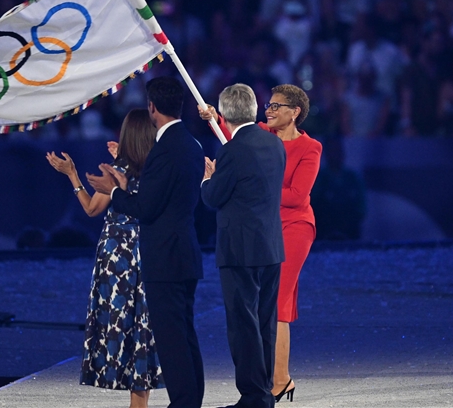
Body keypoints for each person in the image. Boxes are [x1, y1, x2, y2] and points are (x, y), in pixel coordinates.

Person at [87, 76, 205, 408]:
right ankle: (191, 401)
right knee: (186, 337)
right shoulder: (192, 144)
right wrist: (124, 185)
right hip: (186, 253)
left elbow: (146, 208)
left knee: (172, 342)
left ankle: (183, 403)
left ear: (152, 107)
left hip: (164, 259)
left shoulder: (163, 150)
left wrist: (113, 191)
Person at [200, 83, 322, 402]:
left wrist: (254, 189)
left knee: (275, 304)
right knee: (271, 308)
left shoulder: (309, 148)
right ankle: (275, 381)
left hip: (292, 226)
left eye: (277, 106)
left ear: (295, 112)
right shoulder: (266, 140)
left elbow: (296, 196)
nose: (269, 109)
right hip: (267, 229)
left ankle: (272, 382)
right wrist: (216, 117)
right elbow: (240, 139)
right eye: (268, 104)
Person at [46, 109, 162, 408]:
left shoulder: (118, 167)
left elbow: (91, 209)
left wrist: (72, 174)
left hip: (117, 257)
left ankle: (135, 401)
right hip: (148, 251)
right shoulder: (160, 165)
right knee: (144, 325)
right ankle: (140, 402)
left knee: (120, 324)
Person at [200, 83, 286, 408]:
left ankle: (253, 397)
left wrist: (209, 177)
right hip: (270, 247)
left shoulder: (232, 151)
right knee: (264, 323)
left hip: (240, 251)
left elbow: (213, 197)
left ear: (224, 114)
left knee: (243, 326)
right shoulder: (274, 145)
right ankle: (263, 394)